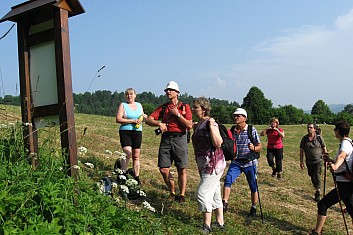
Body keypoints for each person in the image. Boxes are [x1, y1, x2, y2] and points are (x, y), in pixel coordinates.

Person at [146, 81, 193, 203]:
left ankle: (181, 195)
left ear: (177, 93)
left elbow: (189, 125)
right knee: (163, 168)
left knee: (181, 168)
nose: (168, 92)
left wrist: (178, 115)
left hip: (180, 138)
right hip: (166, 138)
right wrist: (159, 123)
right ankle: (172, 191)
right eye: (167, 90)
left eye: (171, 90)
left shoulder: (184, 107)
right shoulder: (163, 107)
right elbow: (149, 120)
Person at [310, 120, 353, 235]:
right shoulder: (349, 143)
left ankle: (317, 232)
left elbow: (342, 156)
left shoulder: (345, 144)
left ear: (338, 131)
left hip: (345, 184)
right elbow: (346, 161)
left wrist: (335, 166)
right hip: (348, 183)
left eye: (335, 130)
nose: (334, 132)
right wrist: (331, 161)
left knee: (322, 204)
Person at [191, 97, 226, 234]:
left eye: (196, 107)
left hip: (213, 164)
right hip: (205, 164)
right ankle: (220, 222)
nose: (193, 109)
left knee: (202, 193)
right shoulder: (199, 123)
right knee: (215, 192)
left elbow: (218, 143)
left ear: (204, 109)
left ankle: (207, 225)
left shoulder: (211, 123)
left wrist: (211, 126)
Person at [222, 108, 262, 217]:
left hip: (250, 162)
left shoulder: (251, 130)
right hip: (236, 162)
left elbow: (260, 146)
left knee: (253, 186)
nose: (236, 117)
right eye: (234, 116)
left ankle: (253, 208)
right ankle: (224, 203)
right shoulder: (232, 130)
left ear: (245, 118)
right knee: (228, 180)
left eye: (238, 116)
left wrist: (254, 147)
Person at [116, 88, 147, 184]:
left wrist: (144, 117)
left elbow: (142, 117)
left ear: (135, 95)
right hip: (125, 131)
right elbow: (118, 119)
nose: (129, 96)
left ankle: (136, 176)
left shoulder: (139, 105)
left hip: (137, 132)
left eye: (131, 94)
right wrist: (132, 121)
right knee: (128, 153)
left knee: (136, 156)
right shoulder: (123, 105)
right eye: (127, 94)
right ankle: (122, 173)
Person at [300, 123, 328, 201]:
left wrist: (326, 158)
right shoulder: (304, 138)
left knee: (317, 175)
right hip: (309, 161)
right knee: (312, 175)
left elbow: (324, 148)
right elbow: (301, 150)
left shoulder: (319, 138)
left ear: (314, 129)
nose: (309, 129)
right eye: (308, 127)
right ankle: (316, 187)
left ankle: (317, 192)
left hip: (318, 160)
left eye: (311, 128)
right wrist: (301, 161)